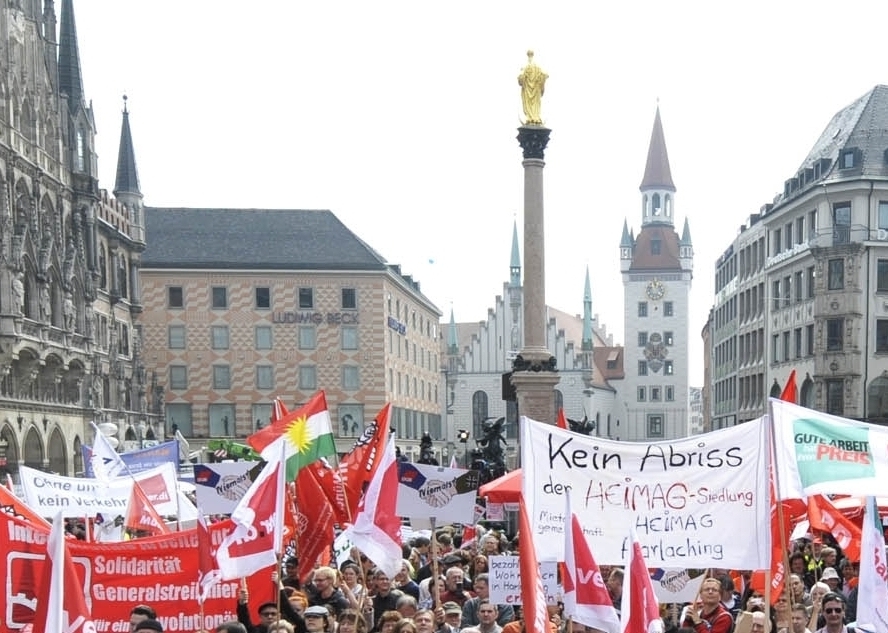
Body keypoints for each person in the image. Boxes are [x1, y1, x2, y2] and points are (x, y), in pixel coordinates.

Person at [517, 50, 547, 125]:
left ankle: (531, 117)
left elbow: (520, 80)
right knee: (535, 103)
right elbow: (544, 75)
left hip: (528, 90)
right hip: (535, 90)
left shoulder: (524, 67)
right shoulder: (538, 67)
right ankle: (535, 117)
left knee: (529, 103)